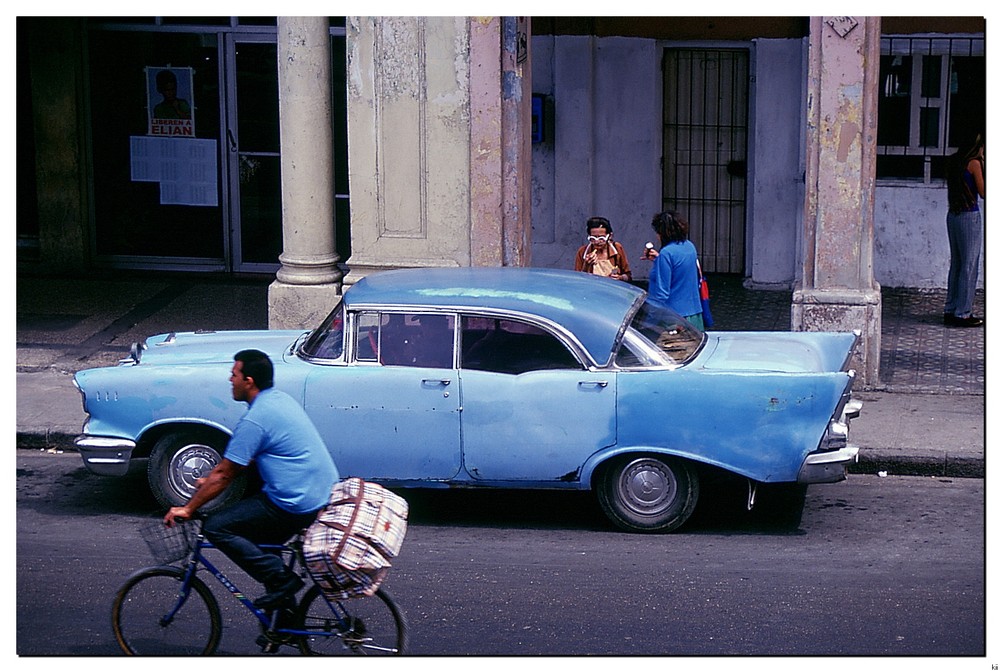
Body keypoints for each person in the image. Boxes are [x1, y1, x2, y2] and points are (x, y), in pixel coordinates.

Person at [164, 349, 338, 610]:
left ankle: (282, 581)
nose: (229, 380)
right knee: (263, 544)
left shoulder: (256, 419)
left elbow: (226, 473)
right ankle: (283, 622)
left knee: (216, 527)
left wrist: (189, 508)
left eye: (234, 374)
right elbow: (239, 463)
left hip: (294, 501)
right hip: (318, 491)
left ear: (249, 381)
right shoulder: (278, 400)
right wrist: (210, 480)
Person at [943, 133, 985, 327]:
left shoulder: (954, 162)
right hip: (969, 215)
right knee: (969, 265)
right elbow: (984, 192)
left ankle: (950, 308)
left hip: (953, 215)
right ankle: (963, 313)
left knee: (957, 264)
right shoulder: (974, 163)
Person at [643, 210, 704, 329]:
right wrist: (658, 260)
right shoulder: (689, 246)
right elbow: (680, 271)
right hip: (694, 312)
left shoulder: (666, 253)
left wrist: (649, 321)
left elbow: (662, 293)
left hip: (673, 317)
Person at [574, 216, 632, 282]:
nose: (597, 242)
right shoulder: (583, 252)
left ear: (609, 236)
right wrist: (586, 265)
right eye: (593, 238)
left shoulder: (617, 249)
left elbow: (628, 276)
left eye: (601, 238)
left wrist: (620, 277)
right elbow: (578, 280)